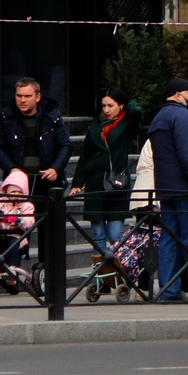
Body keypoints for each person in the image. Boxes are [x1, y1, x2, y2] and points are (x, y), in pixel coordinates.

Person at [146, 77, 188, 302]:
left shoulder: (159, 117)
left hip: (166, 187)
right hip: (185, 187)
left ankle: (168, 288)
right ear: (177, 95)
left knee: (169, 238)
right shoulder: (182, 116)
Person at [0, 77, 70, 266]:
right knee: (11, 226)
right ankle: (10, 269)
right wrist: (11, 169)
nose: (22, 100)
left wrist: (55, 168)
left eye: (27, 96)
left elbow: (65, 145)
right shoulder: (6, 116)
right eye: (19, 96)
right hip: (18, 183)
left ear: (38, 97)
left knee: (47, 230)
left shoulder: (52, 116)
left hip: (47, 181)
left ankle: (47, 271)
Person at [68, 89, 142, 254]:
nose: (106, 110)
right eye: (103, 106)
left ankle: (117, 272)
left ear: (121, 105)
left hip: (116, 185)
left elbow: (137, 112)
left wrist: (126, 102)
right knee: (98, 236)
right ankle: (100, 276)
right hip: (95, 184)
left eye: (111, 105)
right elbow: (85, 156)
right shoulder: (95, 125)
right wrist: (78, 183)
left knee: (116, 236)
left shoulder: (126, 125)